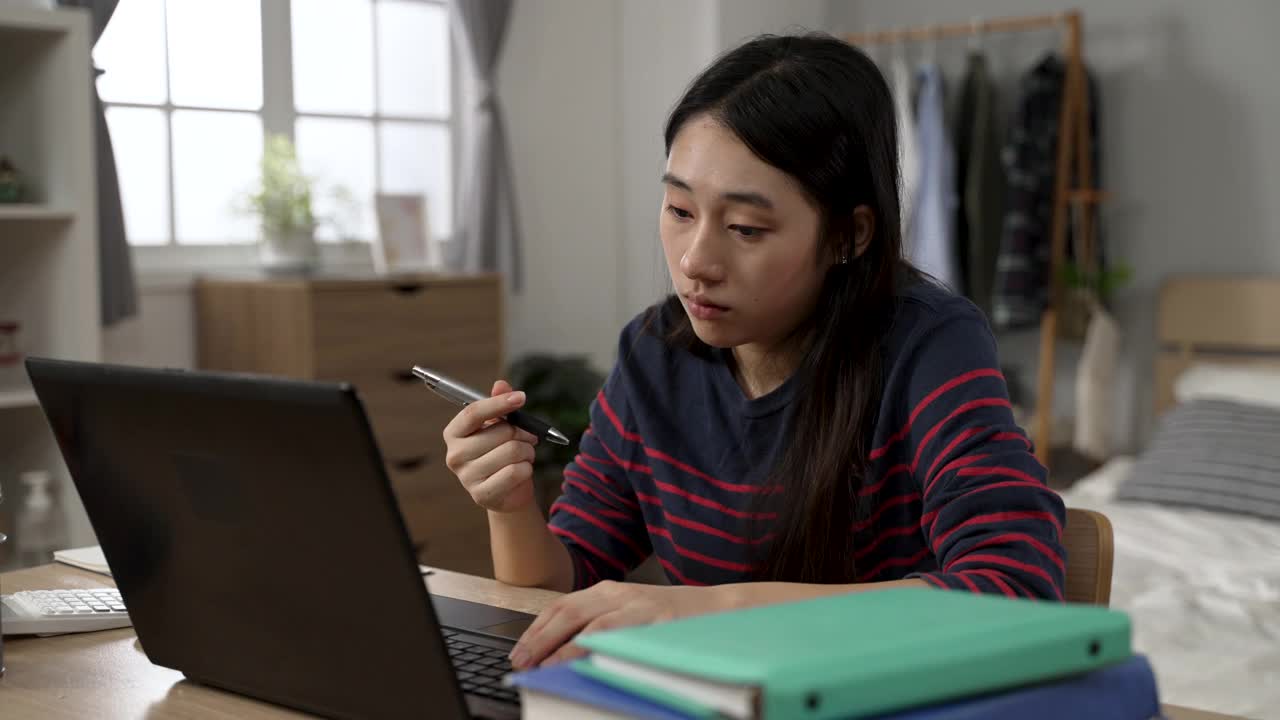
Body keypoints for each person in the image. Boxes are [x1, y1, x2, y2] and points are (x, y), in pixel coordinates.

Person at [443, 32, 1066, 672]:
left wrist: (707, 608)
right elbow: (558, 598)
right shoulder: (653, 354)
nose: (695, 262)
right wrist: (511, 506)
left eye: (746, 228)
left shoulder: (929, 345)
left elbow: (1017, 593)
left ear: (849, 235)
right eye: (679, 209)